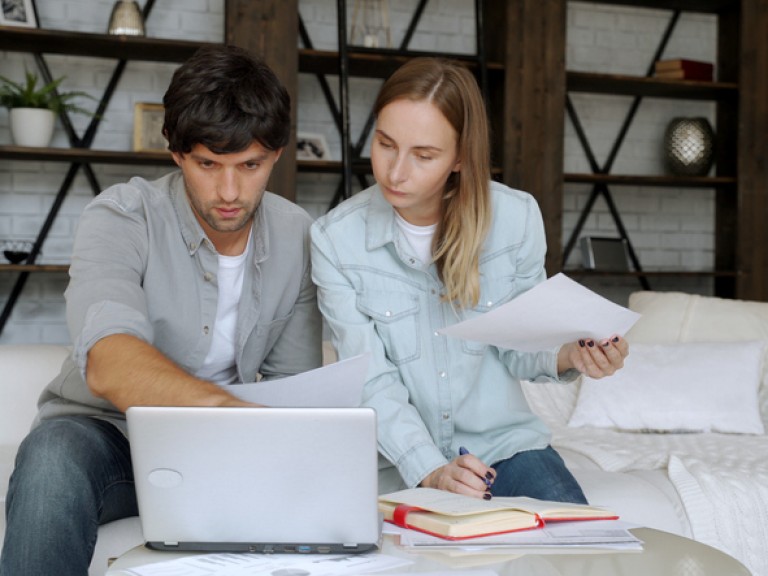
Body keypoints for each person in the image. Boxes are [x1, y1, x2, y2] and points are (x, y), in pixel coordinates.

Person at [0, 45, 322, 576]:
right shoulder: (121, 217)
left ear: (277, 156)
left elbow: (293, 387)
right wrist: (228, 413)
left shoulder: (297, 236)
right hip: (110, 439)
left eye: (250, 166)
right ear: (176, 154)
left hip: (231, 449)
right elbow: (110, 360)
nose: (229, 192)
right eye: (207, 165)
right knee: (52, 458)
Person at [310, 57, 628, 504]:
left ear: (460, 157)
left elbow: (521, 346)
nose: (395, 172)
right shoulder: (335, 240)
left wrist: (572, 354)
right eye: (385, 144)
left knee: (575, 554)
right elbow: (371, 382)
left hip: (507, 449)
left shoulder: (516, 219)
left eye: (423, 155)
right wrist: (430, 470)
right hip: (397, 461)